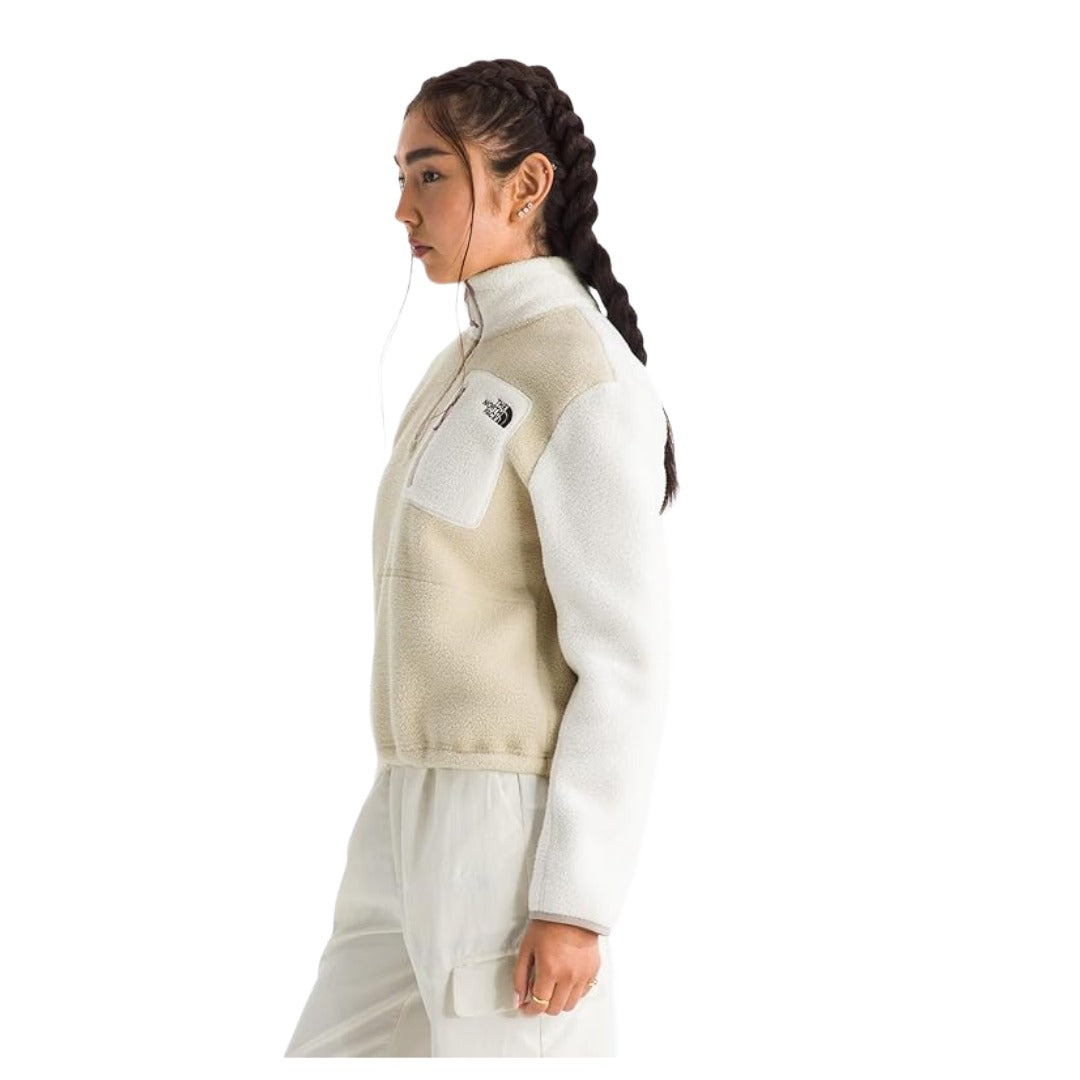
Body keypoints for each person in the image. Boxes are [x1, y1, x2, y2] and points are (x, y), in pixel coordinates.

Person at [283, 58, 680, 1058]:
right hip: (402, 803)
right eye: (401, 177)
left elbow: (625, 657)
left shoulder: (581, 373)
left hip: (505, 826)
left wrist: (576, 900)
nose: (403, 208)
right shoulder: (464, 364)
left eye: (430, 174)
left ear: (526, 184)